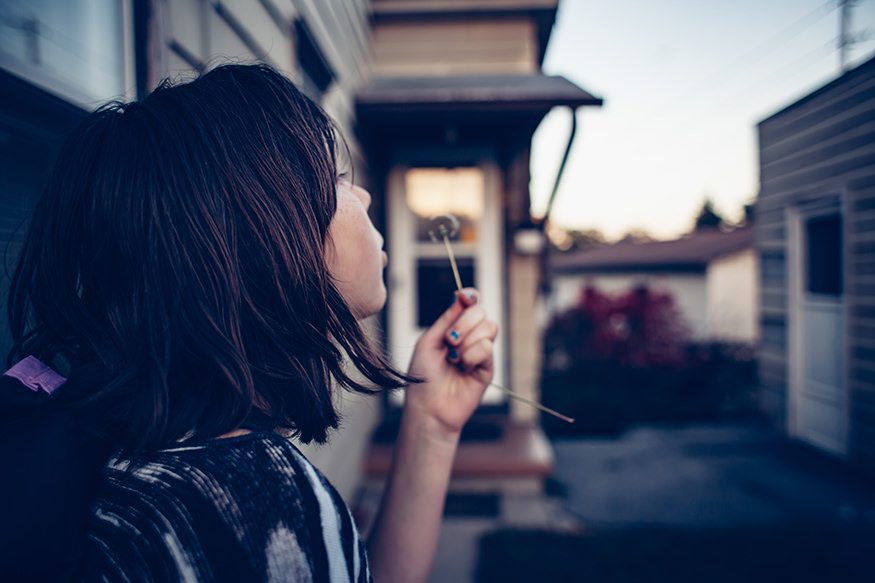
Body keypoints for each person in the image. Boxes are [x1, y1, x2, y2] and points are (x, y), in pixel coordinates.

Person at [0, 63, 498, 582]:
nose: (365, 196)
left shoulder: (164, 464)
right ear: (268, 241)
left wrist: (431, 426)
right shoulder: (253, 501)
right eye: (335, 178)